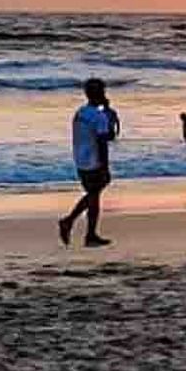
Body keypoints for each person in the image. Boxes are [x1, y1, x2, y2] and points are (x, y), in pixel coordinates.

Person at [58, 78, 121, 248]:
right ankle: (69, 220)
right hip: (94, 160)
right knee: (94, 193)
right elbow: (106, 139)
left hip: (80, 158)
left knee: (93, 196)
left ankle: (90, 235)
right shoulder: (99, 116)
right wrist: (104, 166)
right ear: (101, 94)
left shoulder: (80, 112)